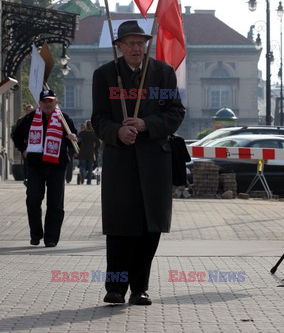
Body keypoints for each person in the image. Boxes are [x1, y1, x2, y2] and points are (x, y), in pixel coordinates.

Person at [91, 20, 185, 305]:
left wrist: (146, 124)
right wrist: (117, 131)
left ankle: (139, 288)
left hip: (155, 161)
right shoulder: (106, 75)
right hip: (120, 161)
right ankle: (115, 288)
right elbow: (98, 119)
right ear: (118, 46)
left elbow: (176, 113)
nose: (136, 48)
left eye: (140, 43)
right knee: (120, 227)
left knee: (149, 227)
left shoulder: (163, 74)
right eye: (130, 43)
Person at [12, 89, 77, 247]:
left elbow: (75, 142)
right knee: (33, 200)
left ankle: (51, 238)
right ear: (40, 104)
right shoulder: (31, 118)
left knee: (55, 203)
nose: (48, 104)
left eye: (51, 101)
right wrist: (24, 149)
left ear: (55, 102)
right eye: (45, 101)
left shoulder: (64, 119)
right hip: (36, 165)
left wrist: (73, 139)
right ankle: (36, 235)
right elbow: (16, 135)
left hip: (57, 166)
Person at [78, 120, 100, 184]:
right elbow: (98, 143)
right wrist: (95, 148)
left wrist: (78, 149)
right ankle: (89, 181)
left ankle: (83, 173)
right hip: (91, 152)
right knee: (90, 167)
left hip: (82, 152)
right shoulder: (94, 134)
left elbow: (78, 141)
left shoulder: (82, 133)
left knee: (83, 165)